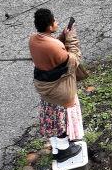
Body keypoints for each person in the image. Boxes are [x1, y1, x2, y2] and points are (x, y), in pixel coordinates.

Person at [29, 9, 85, 161]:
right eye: (54, 21)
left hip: (44, 87)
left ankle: (56, 149)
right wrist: (72, 39)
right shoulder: (53, 46)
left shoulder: (33, 39)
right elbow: (73, 61)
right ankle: (64, 151)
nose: (57, 23)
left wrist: (62, 37)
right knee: (62, 122)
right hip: (59, 90)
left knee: (52, 120)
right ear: (49, 27)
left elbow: (53, 49)